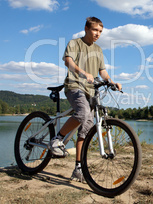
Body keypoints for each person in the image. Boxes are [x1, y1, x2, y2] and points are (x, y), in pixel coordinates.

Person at [50, 16, 122, 183]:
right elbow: (68, 61)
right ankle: (57, 139)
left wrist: (111, 82)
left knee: (87, 128)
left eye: (100, 31)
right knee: (82, 113)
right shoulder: (75, 43)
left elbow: (102, 71)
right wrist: (83, 73)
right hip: (75, 86)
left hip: (91, 91)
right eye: (95, 30)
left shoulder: (98, 50)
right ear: (86, 28)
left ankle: (78, 169)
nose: (98, 34)